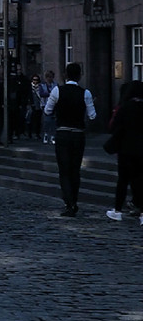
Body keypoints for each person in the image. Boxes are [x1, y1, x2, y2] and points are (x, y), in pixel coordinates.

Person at [43, 61, 97, 216]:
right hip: (78, 134)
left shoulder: (57, 91)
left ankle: (69, 203)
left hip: (63, 133)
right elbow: (93, 116)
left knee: (64, 170)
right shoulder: (85, 93)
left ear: (65, 75)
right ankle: (74, 199)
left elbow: (47, 111)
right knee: (75, 169)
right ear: (80, 75)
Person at [104, 80, 143, 222]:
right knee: (140, 180)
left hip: (126, 149)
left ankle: (117, 210)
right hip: (142, 150)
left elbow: (113, 127)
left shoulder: (125, 107)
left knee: (122, 181)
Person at [40, 71, 57, 144]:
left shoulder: (55, 85)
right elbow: (41, 94)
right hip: (45, 104)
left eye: (51, 77)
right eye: (48, 77)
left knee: (53, 121)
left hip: (54, 105)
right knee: (46, 121)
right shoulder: (42, 85)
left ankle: (53, 136)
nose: (49, 79)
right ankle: (46, 134)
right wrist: (50, 94)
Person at [28, 75, 44, 141]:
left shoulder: (41, 87)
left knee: (38, 120)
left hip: (38, 105)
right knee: (30, 119)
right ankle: (30, 133)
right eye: (34, 80)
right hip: (31, 105)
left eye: (36, 80)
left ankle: (37, 133)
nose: (35, 81)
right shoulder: (30, 87)